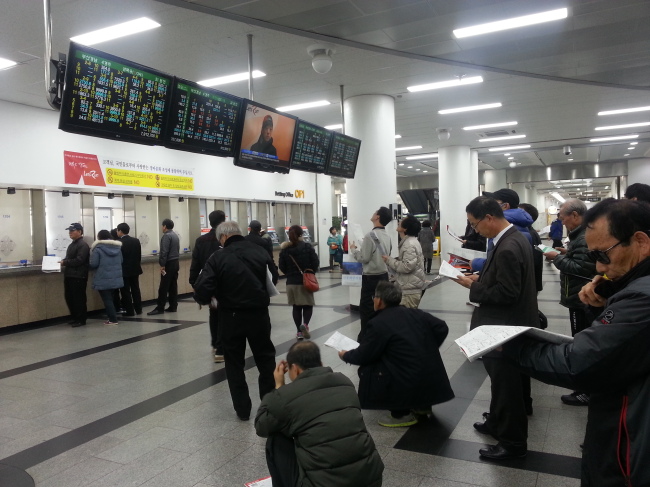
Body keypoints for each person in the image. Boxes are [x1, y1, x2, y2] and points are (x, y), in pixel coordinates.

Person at [502, 198, 650, 486]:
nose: (597, 266)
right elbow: (621, 347)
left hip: (628, 454)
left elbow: (578, 363)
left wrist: (511, 346)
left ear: (641, 242)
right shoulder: (632, 290)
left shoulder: (641, 300)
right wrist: (604, 306)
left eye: (604, 255)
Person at [452, 196, 538, 460]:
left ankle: (512, 444)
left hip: (504, 329)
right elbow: (503, 278)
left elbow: (507, 293)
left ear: (489, 218)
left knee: (507, 387)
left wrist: (473, 287)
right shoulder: (510, 239)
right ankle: (496, 422)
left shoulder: (509, 246)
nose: (475, 230)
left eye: (475, 224)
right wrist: (482, 277)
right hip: (505, 325)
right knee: (500, 383)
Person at [255, 341, 384, 487]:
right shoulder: (345, 382)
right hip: (371, 479)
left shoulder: (287, 395)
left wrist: (278, 387)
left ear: (295, 369)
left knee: (276, 439)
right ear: (321, 363)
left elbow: (261, 426)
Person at [193, 221, 279, 421]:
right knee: (265, 359)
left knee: (234, 363)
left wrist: (209, 298)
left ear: (223, 237)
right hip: (259, 315)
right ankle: (268, 406)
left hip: (231, 317)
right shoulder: (259, 251)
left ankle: (242, 409)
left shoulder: (218, 257)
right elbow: (273, 277)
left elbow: (203, 289)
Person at [339, 281, 454, 427]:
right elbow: (441, 327)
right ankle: (422, 406)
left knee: (370, 369)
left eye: (374, 297)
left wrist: (345, 355)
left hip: (407, 378)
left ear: (379, 301)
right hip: (431, 377)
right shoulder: (415, 313)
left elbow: (365, 355)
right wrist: (429, 347)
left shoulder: (378, 323)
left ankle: (400, 414)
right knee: (400, 362)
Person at [541, 199, 597, 406]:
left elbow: (581, 268)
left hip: (581, 299)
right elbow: (581, 260)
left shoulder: (582, 237)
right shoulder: (579, 236)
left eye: (562, 216)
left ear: (575, 215)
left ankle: (586, 391)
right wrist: (566, 253)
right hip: (578, 296)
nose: (560, 220)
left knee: (582, 342)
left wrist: (556, 257)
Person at [350, 206, 393, 340]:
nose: (373, 214)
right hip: (384, 276)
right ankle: (380, 336)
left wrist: (353, 250)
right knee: (382, 308)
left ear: (377, 217)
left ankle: (366, 337)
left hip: (371, 278)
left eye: (375, 212)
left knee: (367, 309)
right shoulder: (388, 236)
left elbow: (364, 258)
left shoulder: (370, 236)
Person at [189, 210, 226, 363]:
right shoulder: (225, 240)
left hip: (208, 283)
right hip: (225, 283)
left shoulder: (201, 240)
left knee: (214, 313)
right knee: (225, 314)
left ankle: (215, 344)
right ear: (224, 221)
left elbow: (195, 263)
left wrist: (194, 282)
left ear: (209, 222)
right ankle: (220, 348)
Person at [279, 225, 320, 340]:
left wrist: (290, 274)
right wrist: (311, 272)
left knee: (296, 307)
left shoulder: (285, 250)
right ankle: (305, 325)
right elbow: (315, 262)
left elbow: (282, 267)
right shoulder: (307, 247)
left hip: (291, 283)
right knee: (308, 305)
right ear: (301, 234)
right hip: (305, 282)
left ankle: (299, 331)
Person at [383, 215, 429, 309]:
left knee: (407, 321)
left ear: (405, 228)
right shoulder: (410, 242)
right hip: (409, 288)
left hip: (409, 292)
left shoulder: (409, 244)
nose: (399, 221)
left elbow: (407, 266)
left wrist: (389, 260)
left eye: (402, 220)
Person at [89, 230, 124, 325]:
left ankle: (112, 319)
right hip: (115, 277)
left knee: (107, 300)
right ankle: (113, 317)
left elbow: (94, 264)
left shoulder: (97, 249)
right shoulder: (118, 248)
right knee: (110, 299)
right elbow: (121, 261)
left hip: (102, 277)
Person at [60, 223, 90, 328]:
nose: (70, 233)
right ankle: (75, 317)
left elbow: (80, 260)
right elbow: (69, 258)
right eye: (69, 231)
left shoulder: (83, 245)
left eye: (72, 231)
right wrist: (63, 261)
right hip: (69, 275)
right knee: (70, 297)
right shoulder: (72, 245)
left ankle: (81, 319)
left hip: (78, 276)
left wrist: (65, 262)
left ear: (80, 232)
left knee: (78, 298)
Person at [147, 219, 180, 315]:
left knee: (163, 286)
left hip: (168, 263)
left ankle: (160, 307)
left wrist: (162, 264)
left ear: (165, 226)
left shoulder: (166, 236)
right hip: (175, 262)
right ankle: (173, 306)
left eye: (162, 226)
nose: (162, 227)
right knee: (173, 285)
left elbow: (164, 252)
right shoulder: (175, 235)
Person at [116, 223, 143, 316]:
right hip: (135, 269)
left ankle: (130, 311)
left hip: (124, 270)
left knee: (125, 291)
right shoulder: (136, 241)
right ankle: (139, 309)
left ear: (120, 231)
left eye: (117, 230)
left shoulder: (118, 243)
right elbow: (139, 255)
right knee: (136, 289)